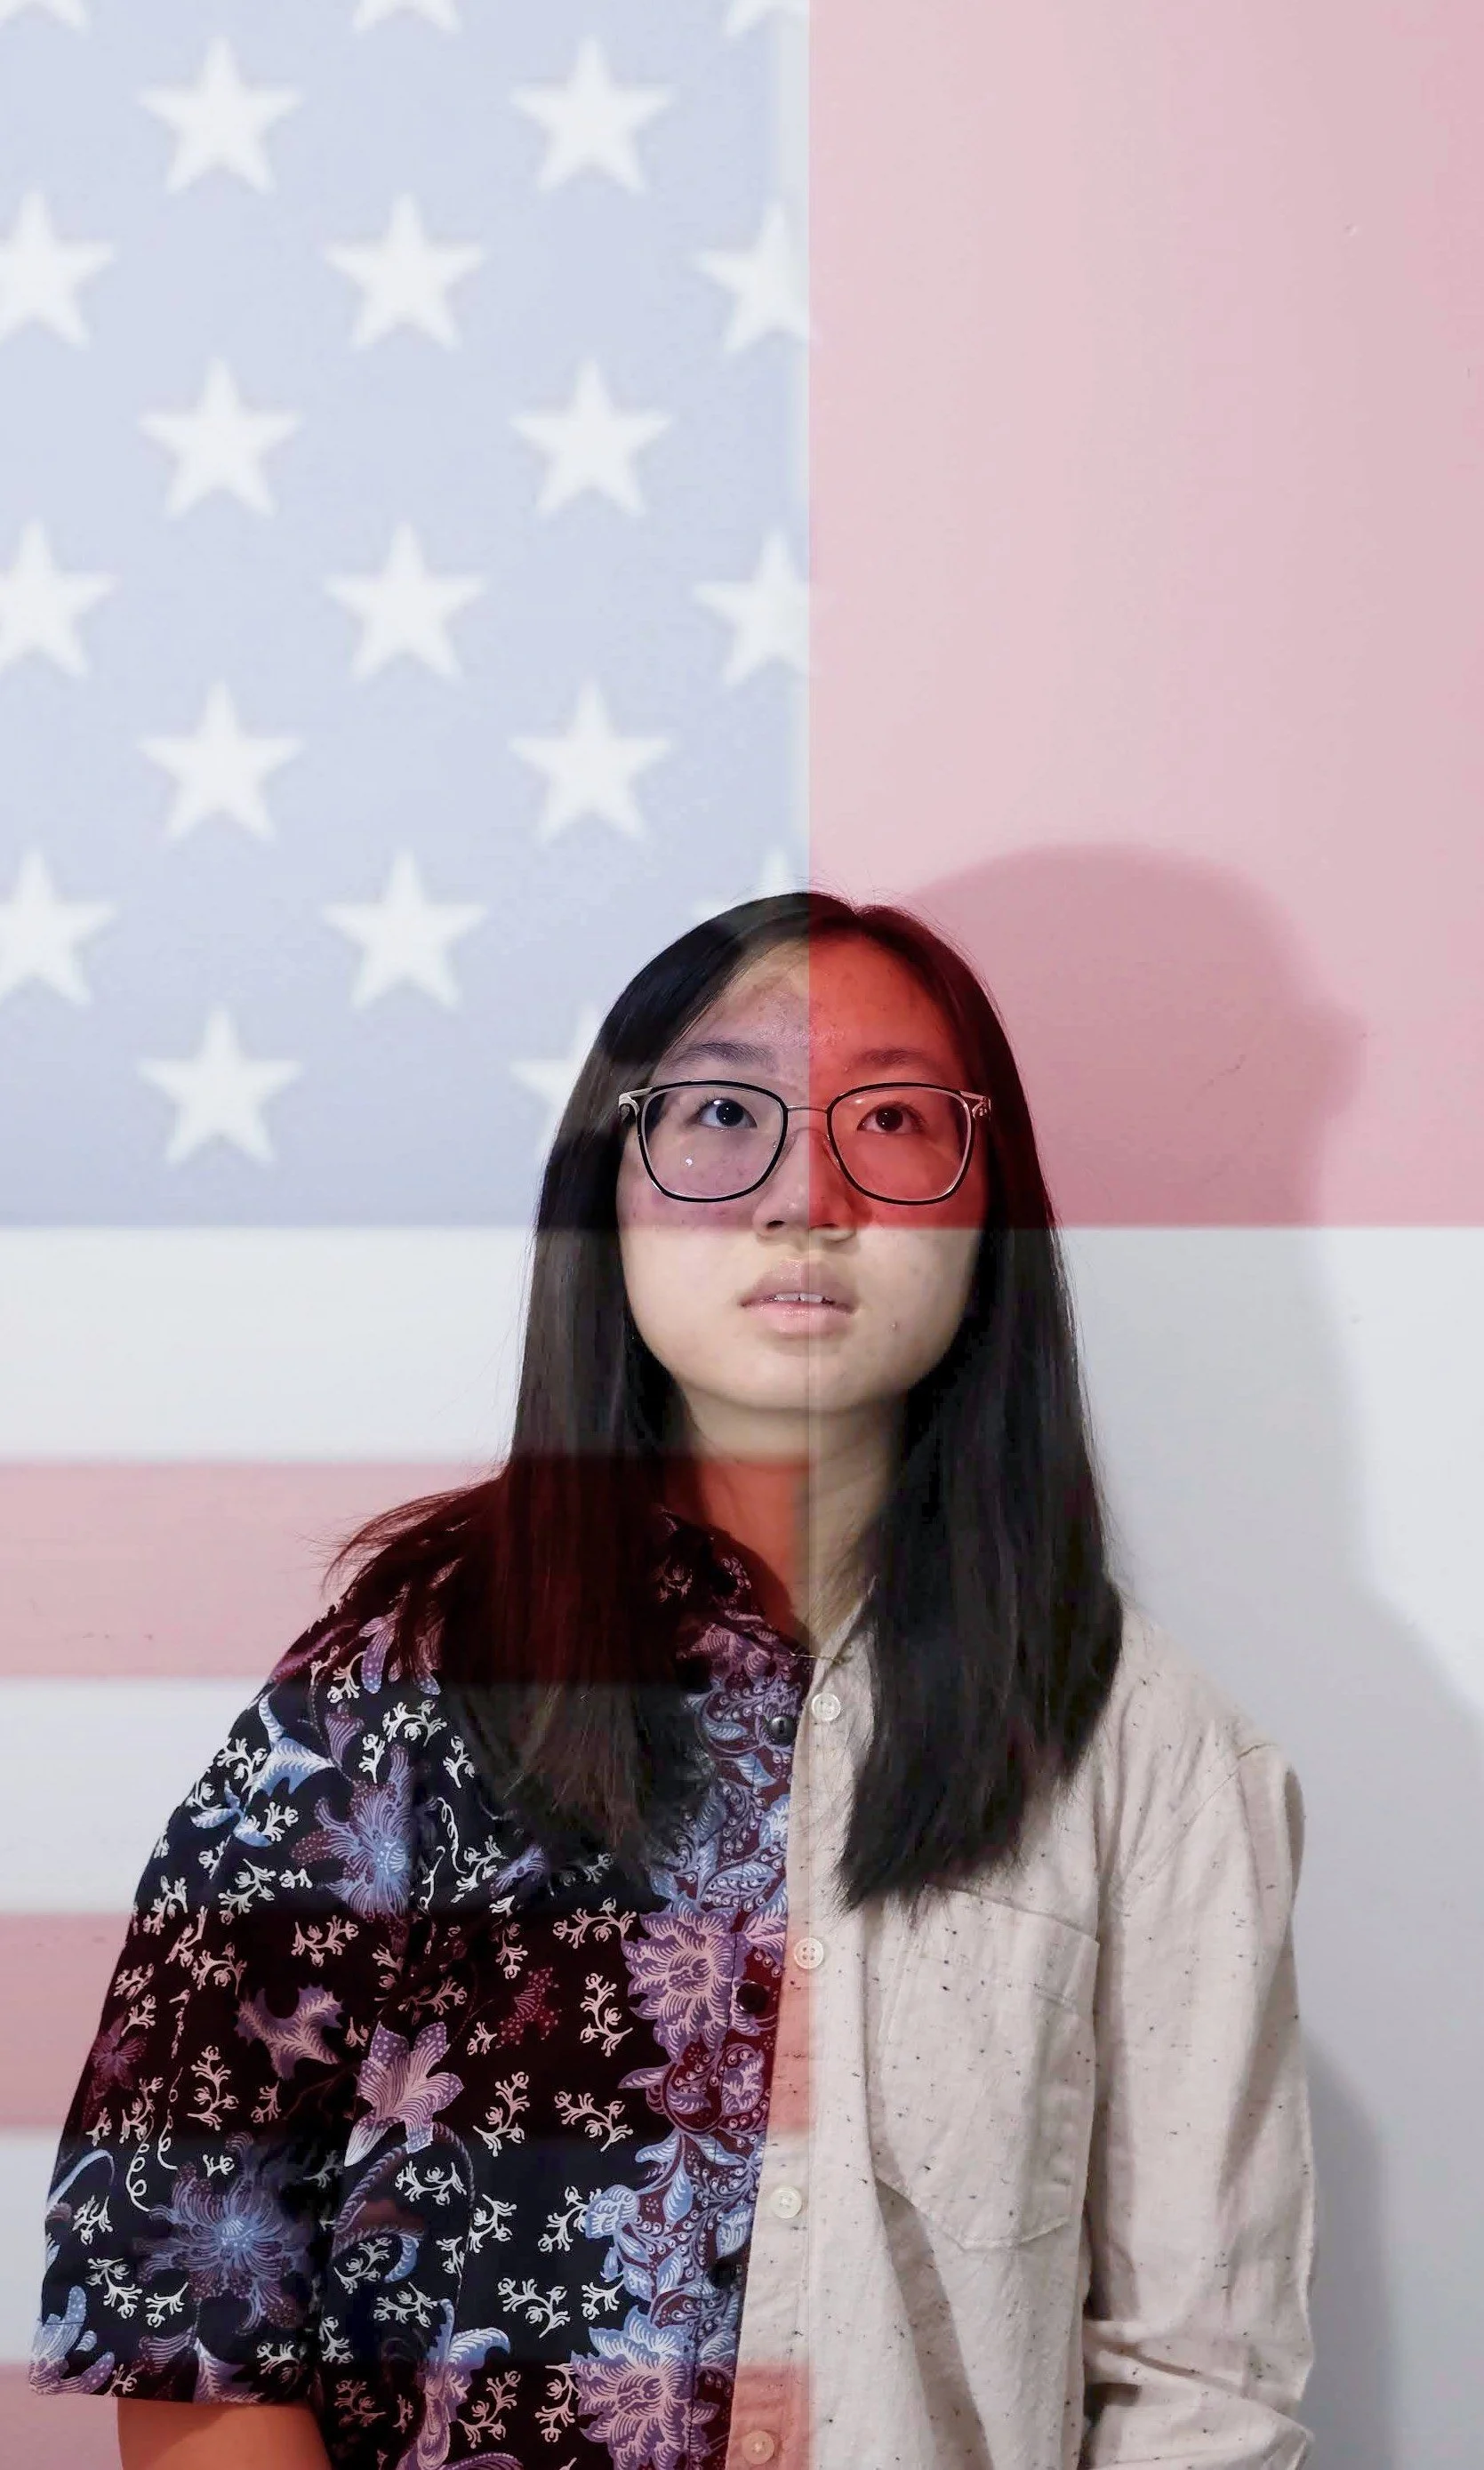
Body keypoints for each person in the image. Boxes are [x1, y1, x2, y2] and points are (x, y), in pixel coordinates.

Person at [31, 892, 1316, 2469]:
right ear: (608, 1194)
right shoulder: (391, 1691)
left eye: (893, 1120)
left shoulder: (1149, 1750)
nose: (807, 1197)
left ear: (993, 1216)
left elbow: (1204, 2379)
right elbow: (182, 2277)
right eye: (721, 1115)